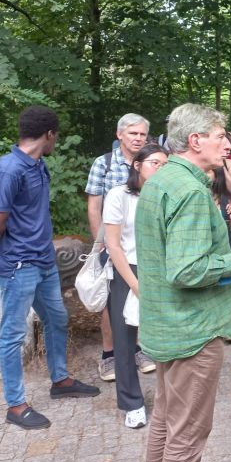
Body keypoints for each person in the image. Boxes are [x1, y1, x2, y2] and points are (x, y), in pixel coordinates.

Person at [135, 103, 231, 462]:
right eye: (220, 137)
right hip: (192, 332)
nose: (227, 147)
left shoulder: (160, 179)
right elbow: (186, 270)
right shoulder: (189, 192)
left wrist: (224, 276)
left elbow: (175, 258)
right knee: (188, 432)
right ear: (195, 140)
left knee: (165, 419)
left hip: (167, 326)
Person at [0, 106, 100, 430]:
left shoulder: (38, 164)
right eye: (56, 136)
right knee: (12, 334)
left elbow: (23, 214)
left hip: (44, 260)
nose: (56, 141)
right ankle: (16, 405)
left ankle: (60, 380)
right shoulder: (9, 170)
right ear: (49, 134)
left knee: (57, 317)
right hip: (19, 266)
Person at [102, 143, 168, 429]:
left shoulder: (166, 196)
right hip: (126, 270)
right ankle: (132, 403)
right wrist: (135, 284)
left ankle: (170, 399)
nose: (160, 168)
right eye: (155, 162)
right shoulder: (119, 195)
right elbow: (113, 245)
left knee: (167, 338)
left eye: (165, 164)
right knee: (125, 339)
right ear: (137, 165)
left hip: (163, 270)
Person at [85, 113, 154, 382]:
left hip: (143, 246)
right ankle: (109, 355)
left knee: (139, 296)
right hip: (112, 245)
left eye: (142, 134)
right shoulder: (103, 164)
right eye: (133, 133)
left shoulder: (150, 163)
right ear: (120, 135)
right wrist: (100, 244)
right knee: (111, 302)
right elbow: (94, 206)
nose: (138, 138)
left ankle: (137, 349)